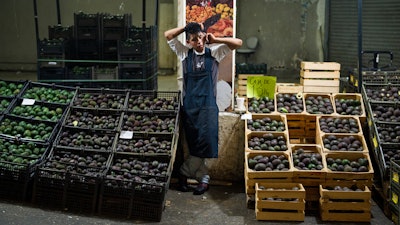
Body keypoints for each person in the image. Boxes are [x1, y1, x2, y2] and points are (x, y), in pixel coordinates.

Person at [164, 22, 242, 195]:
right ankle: (203, 179)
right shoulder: (184, 54)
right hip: (190, 106)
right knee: (193, 145)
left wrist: (216, 39)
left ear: (204, 37)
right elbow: (168, 35)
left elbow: (238, 43)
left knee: (206, 143)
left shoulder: (214, 52)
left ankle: (184, 173)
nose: (198, 41)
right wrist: (186, 28)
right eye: (193, 39)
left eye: (200, 37)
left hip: (208, 106)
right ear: (189, 42)